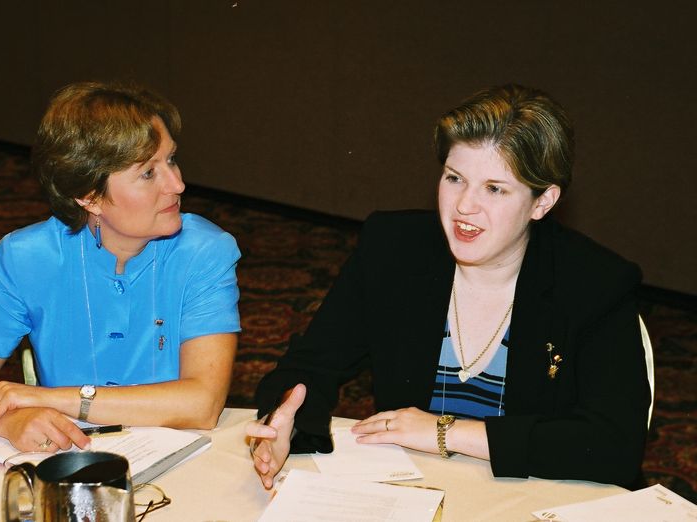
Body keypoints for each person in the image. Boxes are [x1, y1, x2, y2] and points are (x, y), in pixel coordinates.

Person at [247, 84, 650, 489]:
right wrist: (285, 420)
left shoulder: (593, 282)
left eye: (494, 188)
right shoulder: (394, 249)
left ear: (542, 201)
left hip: (525, 498)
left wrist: (445, 432)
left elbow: (614, 444)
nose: (464, 206)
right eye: (455, 178)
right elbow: (310, 366)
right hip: (413, 494)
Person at [0, 81, 241, 453]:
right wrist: (10, 421)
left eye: (170, 159)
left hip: (182, 456)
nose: (178, 183)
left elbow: (202, 404)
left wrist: (53, 399)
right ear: (89, 196)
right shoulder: (29, 258)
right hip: (67, 460)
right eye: (148, 173)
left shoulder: (206, 252)